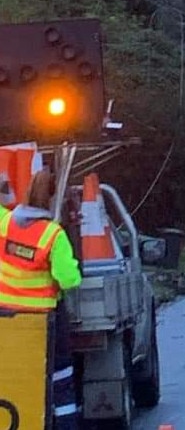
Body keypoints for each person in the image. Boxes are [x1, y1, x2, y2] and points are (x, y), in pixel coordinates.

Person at [0, 168, 82, 430]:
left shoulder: (5, 223)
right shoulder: (53, 235)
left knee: (14, 379)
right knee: (60, 381)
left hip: (7, 320)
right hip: (45, 325)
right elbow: (69, 280)